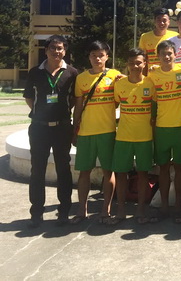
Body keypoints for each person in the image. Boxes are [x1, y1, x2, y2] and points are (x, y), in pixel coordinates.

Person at [24, 35, 78, 228]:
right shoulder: (35, 72)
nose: (57, 51)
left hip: (62, 127)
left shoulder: (72, 73)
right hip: (39, 128)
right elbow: (29, 98)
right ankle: (36, 213)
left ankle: (64, 212)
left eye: (61, 48)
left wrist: (62, 113)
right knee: (37, 170)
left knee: (63, 169)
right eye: (53, 48)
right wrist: (41, 114)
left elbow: (74, 99)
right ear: (46, 50)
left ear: (65, 51)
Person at [71, 41, 121, 224]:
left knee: (109, 172)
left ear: (107, 56)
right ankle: (81, 210)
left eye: (101, 55)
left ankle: (105, 210)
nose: (97, 58)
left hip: (108, 132)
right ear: (89, 57)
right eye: (94, 55)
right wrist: (74, 129)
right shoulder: (81, 78)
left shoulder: (115, 76)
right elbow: (78, 107)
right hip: (85, 133)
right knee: (84, 172)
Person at [148, 40, 181, 223]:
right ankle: (165, 205)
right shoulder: (153, 75)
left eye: (169, 53)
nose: (167, 57)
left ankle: (178, 207)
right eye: (163, 54)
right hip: (161, 128)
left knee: (179, 167)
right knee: (164, 168)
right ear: (158, 56)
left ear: (175, 54)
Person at [110, 48, 155, 225]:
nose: (135, 66)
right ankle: (120, 210)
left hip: (145, 138)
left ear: (144, 64)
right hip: (123, 138)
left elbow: (156, 110)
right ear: (127, 65)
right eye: (132, 63)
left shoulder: (151, 84)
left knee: (143, 175)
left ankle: (140, 211)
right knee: (121, 174)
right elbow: (113, 106)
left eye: (139, 62)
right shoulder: (119, 84)